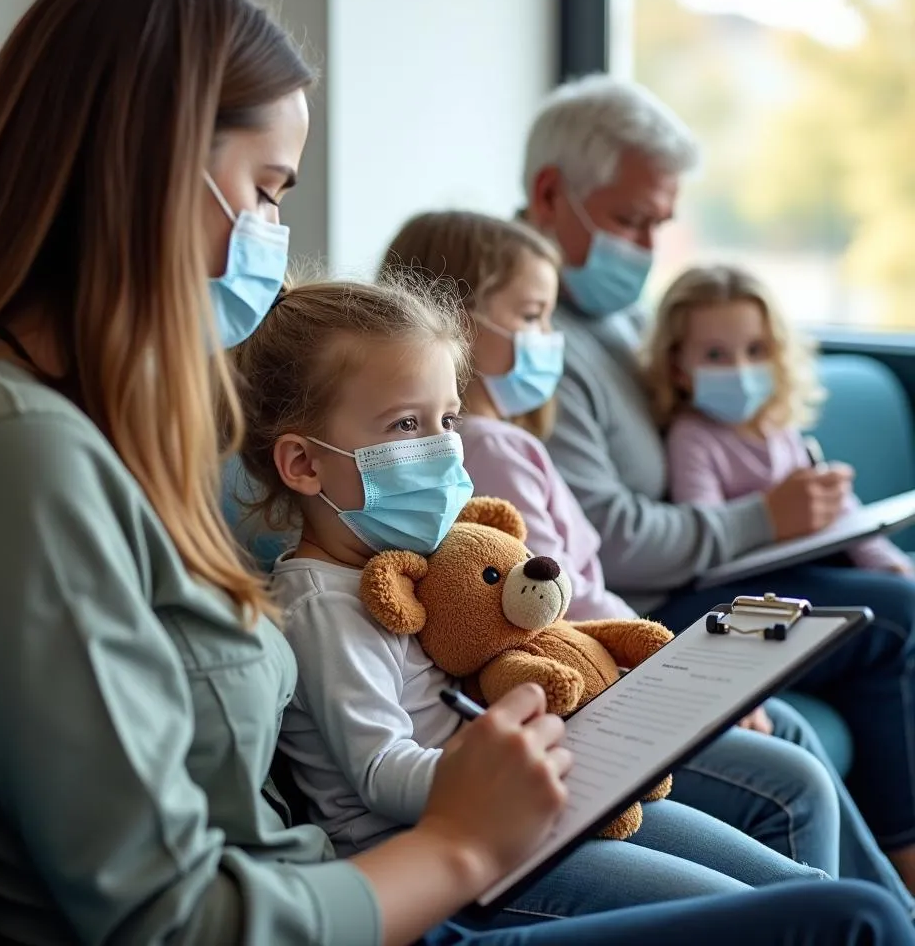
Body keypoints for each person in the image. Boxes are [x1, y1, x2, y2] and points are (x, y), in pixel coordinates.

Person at [0, 0, 911, 946]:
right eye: (267, 189)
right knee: (850, 919)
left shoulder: (78, 429)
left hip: (350, 879)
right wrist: (466, 840)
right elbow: (174, 918)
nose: (270, 235)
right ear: (147, 171)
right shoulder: (9, 453)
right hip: (372, 889)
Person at [234, 275, 840, 919]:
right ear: (303, 464)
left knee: (800, 892)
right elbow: (382, 774)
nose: (442, 449)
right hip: (446, 850)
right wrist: (514, 760)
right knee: (763, 917)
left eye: (447, 420)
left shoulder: (413, 563)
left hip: (530, 804)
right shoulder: (324, 606)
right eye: (406, 425)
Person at [379, 207, 915, 908]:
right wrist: (681, 673)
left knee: (789, 729)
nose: (551, 343)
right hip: (589, 679)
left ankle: (878, 914)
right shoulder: (487, 449)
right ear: (457, 322)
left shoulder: (506, 441)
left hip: (605, 659)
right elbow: (547, 602)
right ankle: (877, 915)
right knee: (791, 754)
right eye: (535, 318)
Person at [520, 71, 915, 888]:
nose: (647, 247)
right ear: (552, 193)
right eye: (633, 220)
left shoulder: (624, 321)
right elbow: (612, 542)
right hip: (655, 608)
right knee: (897, 620)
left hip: (706, 577)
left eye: (660, 223)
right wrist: (762, 518)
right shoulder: (533, 347)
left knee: (892, 619)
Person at [644, 263, 913, 576]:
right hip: (767, 584)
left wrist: (888, 562)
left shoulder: (778, 426)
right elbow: (711, 537)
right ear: (677, 367)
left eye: (756, 350)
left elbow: (839, 509)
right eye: (715, 355)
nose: (740, 369)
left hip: (820, 561)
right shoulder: (691, 438)